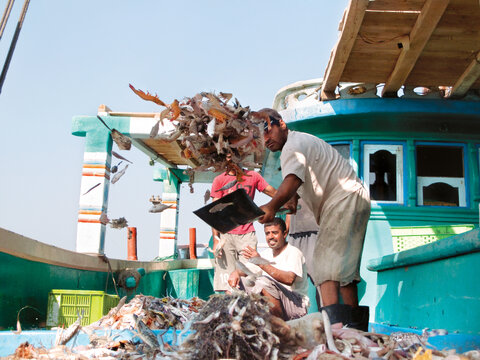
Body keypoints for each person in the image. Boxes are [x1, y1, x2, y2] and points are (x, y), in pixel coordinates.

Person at [258, 108, 371, 331]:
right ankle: (356, 332)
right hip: (356, 197)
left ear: (281, 124)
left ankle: (333, 332)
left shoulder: (292, 146)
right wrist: (287, 203)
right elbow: (294, 195)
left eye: (267, 130)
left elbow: (292, 179)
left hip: (342, 199)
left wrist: (271, 206)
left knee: (322, 264)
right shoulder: (302, 141)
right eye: (260, 136)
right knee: (346, 273)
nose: (266, 139)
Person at [211, 154, 276, 293]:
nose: (232, 159)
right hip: (225, 234)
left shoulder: (253, 176)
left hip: (247, 234)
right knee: (226, 282)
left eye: (234, 155)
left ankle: (247, 310)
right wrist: (216, 239)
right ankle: (228, 312)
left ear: (240, 156)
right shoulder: (219, 180)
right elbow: (213, 212)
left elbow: (275, 194)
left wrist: (286, 201)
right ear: (224, 159)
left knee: (248, 277)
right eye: (228, 156)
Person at [228, 217, 309, 320]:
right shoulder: (265, 254)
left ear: (284, 234)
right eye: (267, 233)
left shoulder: (294, 252)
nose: (270, 237)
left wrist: (261, 263)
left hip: (296, 305)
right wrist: (236, 273)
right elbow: (246, 271)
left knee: (263, 282)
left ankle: (279, 325)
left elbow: (289, 279)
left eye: (274, 233)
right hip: (276, 304)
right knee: (240, 283)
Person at [285, 197, 321, 309]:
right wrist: (286, 228)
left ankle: (327, 317)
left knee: (320, 279)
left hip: (316, 231)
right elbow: (290, 204)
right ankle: (293, 315)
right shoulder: (291, 183)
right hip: (294, 233)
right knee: (291, 278)